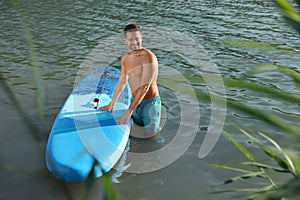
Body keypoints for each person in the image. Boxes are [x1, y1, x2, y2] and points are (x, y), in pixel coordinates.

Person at [100, 24, 162, 138]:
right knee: (135, 131)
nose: (134, 42)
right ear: (125, 40)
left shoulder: (149, 57)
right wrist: (112, 103)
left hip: (150, 104)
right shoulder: (125, 58)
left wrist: (129, 111)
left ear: (141, 37)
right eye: (131, 39)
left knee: (151, 136)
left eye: (137, 38)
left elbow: (145, 87)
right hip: (134, 101)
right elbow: (122, 81)